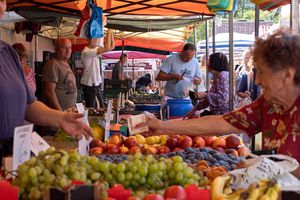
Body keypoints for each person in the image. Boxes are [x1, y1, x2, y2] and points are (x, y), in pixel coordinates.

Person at [147, 29, 300, 179]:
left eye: (261, 71)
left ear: (287, 75)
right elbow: (221, 123)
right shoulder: (268, 105)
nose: (257, 80)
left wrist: (262, 164)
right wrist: (162, 126)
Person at [0, 0, 92, 163]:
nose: (1, 6)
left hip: (13, 150)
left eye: (3, 0)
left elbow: (28, 104)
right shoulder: (52, 64)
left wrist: (61, 118)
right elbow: (49, 92)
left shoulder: (8, 53)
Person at [186, 52, 229, 117]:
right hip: (218, 116)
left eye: (209, 61)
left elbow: (222, 98)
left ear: (215, 62)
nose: (207, 64)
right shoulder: (217, 76)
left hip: (223, 117)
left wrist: (205, 94)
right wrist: (194, 109)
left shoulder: (222, 75)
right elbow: (209, 100)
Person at [80, 29, 115, 108]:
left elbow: (112, 47)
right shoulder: (87, 51)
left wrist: (111, 33)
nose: (96, 40)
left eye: (97, 38)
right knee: (91, 110)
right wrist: (109, 32)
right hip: (89, 85)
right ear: (88, 39)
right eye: (94, 38)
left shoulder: (95, 49)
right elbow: (107, 47)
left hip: (96, 84)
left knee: (101, 107)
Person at [42, 37, 77, 111]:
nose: (68, 51)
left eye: (70, 48)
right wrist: (60, 112)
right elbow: (49, 92)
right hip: (59, 113)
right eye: (64, 48)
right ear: (56, 49)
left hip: (69, 111)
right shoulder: (53, 64)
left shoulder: (66, 64)